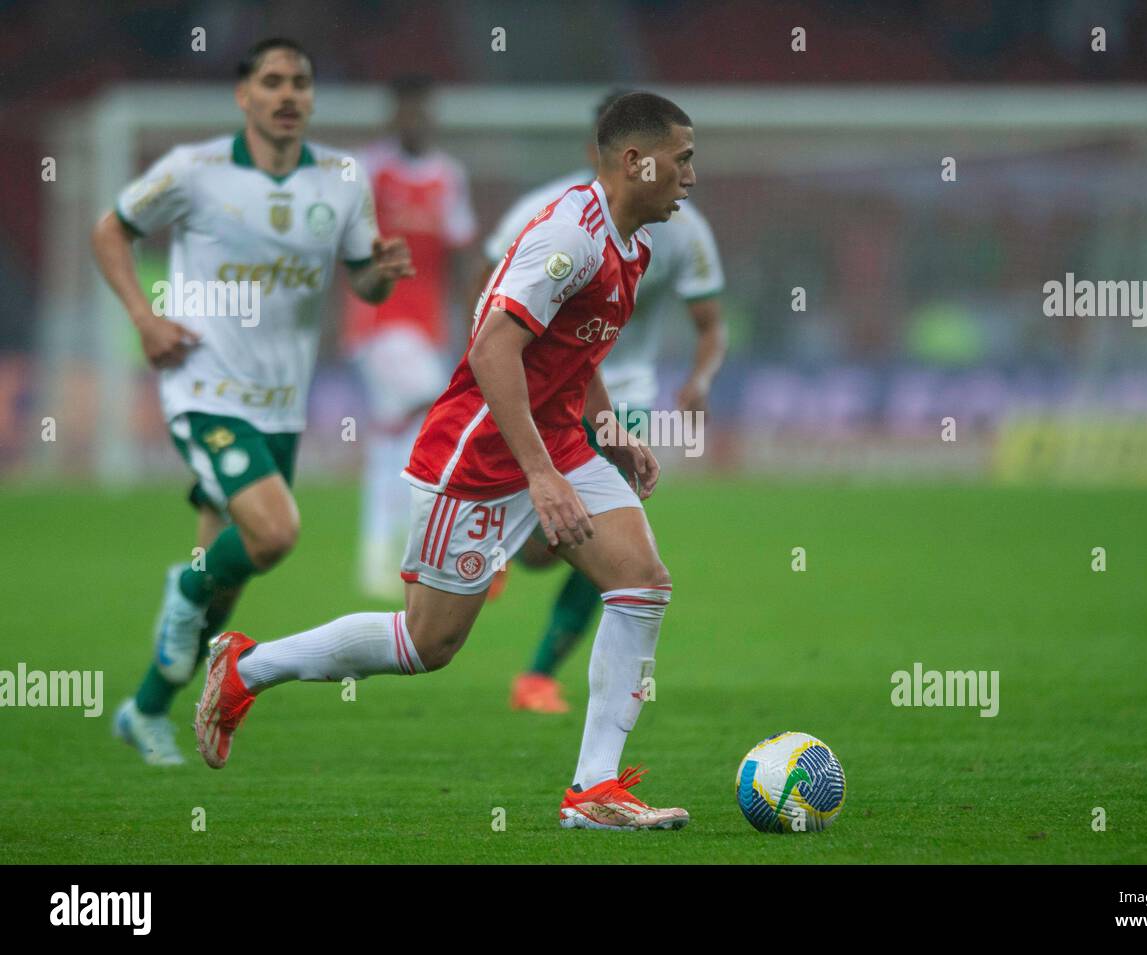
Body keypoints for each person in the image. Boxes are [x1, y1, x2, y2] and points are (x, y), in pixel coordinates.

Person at [195, 91, 696, 830]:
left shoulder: (632, 244)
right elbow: (494, 345)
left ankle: (594, 790)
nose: (690, 175)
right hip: (479, 456)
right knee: (426, 643)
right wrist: (539, 472)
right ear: (635, 160)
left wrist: (608, 430)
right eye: (682, 160)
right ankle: (245, 666)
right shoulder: (573, 236)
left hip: (554, 442)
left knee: (643, 585)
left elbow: (572, 346)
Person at [91, 38, 413, 765]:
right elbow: (109, 228)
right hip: (201, 384)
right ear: (244, 95)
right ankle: (182, 585)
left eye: (300, 81)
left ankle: (144, 709)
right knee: (272, 534)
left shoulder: (339, 179)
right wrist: (144, 319)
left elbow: (363, 281)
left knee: (223, 592)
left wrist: (382, 277)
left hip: (281, 405)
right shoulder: (194, 171)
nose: (288, 94)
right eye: (272, 82)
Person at [478, 90, 725, 714]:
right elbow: (492, 315)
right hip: (547, 394)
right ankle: (496, 541)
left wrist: (698, 381)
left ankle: (538, 677)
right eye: (681, 159)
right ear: (619, 155)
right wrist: (480, 372)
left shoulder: (677, 233)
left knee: (624, 559)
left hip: (623, 395)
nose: (689, 176)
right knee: (548, 549)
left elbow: (710, 325)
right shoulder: (552, 220)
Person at [343, 76, 477, 599]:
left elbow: (463, 251)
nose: (414, 120)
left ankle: (381, 552)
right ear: (393, 115)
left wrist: (474, 319)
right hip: (378, 323)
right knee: (436, 407)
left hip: (428, 328)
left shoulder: (448, 176)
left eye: (422, 111)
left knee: (395, 442)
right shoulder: (368, 168)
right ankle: (437, 545)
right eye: (406, 111)